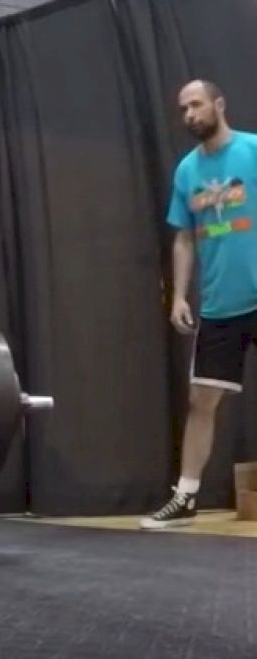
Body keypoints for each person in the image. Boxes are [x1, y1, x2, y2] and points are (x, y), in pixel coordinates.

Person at [143, 79, 257, 529]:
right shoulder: (187, 171)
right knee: (201, 401)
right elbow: (185, 237)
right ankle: (186, 497)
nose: (190, 114)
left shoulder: (251, 149)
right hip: (220, 307)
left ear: (219, 104)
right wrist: (178, 297)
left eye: (197, 104)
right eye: (183, 108)